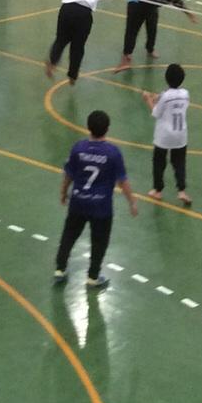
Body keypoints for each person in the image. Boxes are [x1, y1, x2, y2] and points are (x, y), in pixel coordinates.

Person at [53, 109, 138, 289]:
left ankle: (60, 269)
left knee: (69, 235)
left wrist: (63, 192)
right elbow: (122, 181)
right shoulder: (113, 153)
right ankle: (93, 277)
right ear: (107, 129)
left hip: (78, 201)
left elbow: (69, 174)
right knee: (99, 242)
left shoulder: (78, 148)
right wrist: (132, 202)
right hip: (101, 207)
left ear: (88, 127)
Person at [144, 62, 192, 205]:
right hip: (180, 135)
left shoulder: (165, 97)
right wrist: (158, 96)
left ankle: (157, 190)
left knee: (159, 162)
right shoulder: (185, 94)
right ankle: (181, 191)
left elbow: (156, 112)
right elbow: (169, 97)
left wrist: (148, 99)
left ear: (166, 78)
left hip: (164, 136)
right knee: (179, 163)